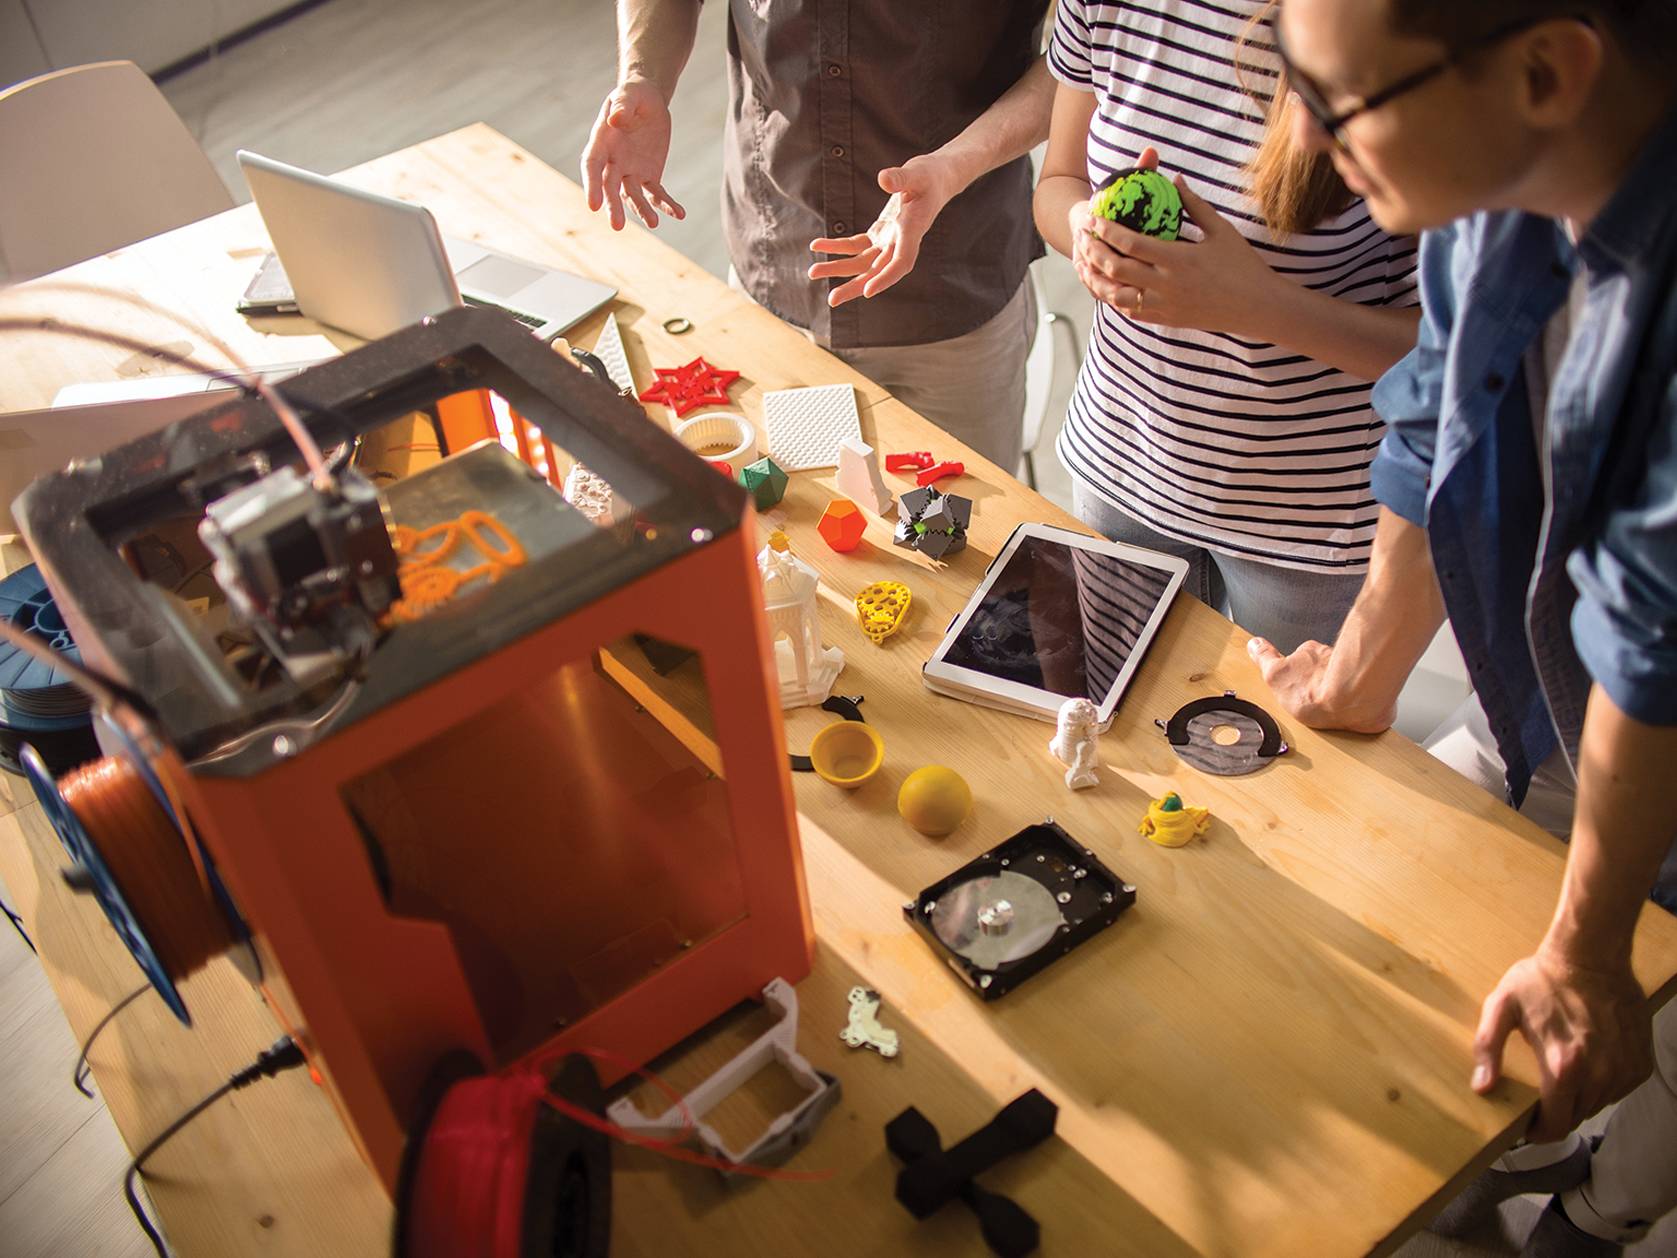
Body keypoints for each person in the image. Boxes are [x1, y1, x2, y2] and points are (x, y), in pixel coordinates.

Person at [1257, 1, 1677, 1252]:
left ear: (1546, 70)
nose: (1313, 141)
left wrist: (1591, 951)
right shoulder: (1495, 186)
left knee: (1635, 1100)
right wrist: (1367, 673)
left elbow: (1655, 646)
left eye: (1344, 103)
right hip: (1548, 690)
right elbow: (1434, 423)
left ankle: (1601, 1215)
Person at [1032, 0, 1422, 655]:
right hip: (1122, 462)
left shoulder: (1373, 27)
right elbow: (1059, 181)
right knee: (1121, 724)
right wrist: (1083, 234)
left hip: (1307, 520)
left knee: (1286, 749)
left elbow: (1445, 351)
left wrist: (1254, 304)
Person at [578, 0, 1056, 472]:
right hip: (772, 273)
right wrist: (644, 76)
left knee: (972, 535)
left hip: (954, 290)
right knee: (787, 530)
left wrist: (957, 165)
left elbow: (1084, 63)